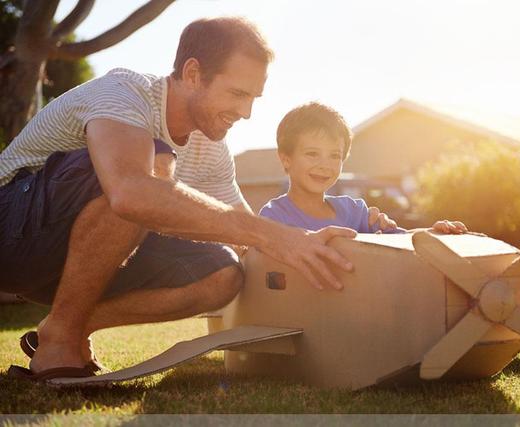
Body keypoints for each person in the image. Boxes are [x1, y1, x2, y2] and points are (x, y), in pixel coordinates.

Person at [0, 18, 376, 381]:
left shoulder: (211, 146)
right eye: (238, 94)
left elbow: (244, 233)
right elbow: (131, 192)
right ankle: (62, 341)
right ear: (193, 74)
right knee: (144, 180)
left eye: (253, 98)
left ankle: (66, 325)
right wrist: (271, 235)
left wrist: (308, 245)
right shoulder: (124, 94)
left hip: (74, 265)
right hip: (11, 237)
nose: (246, 112)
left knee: (223, 272)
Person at [259, 102, 468, 235]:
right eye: (312, 154)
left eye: (334, 155)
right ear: (286, 158)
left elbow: (401, 242)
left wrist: (432, 232)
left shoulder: (355, 212)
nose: (324, 165)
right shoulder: (274, 218)